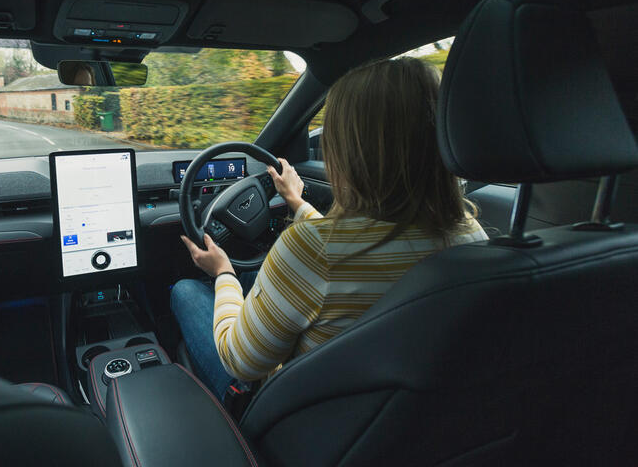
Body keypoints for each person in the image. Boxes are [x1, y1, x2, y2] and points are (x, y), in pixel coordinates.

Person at [172, 57, 488, 400]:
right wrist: (296, 201)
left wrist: (223, 273)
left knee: (186, 289)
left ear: (352, 152)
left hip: (290, 417)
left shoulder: (309, 250)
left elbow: (240, 363)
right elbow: (356, 247)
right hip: (388, 418)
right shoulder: (470, 237)